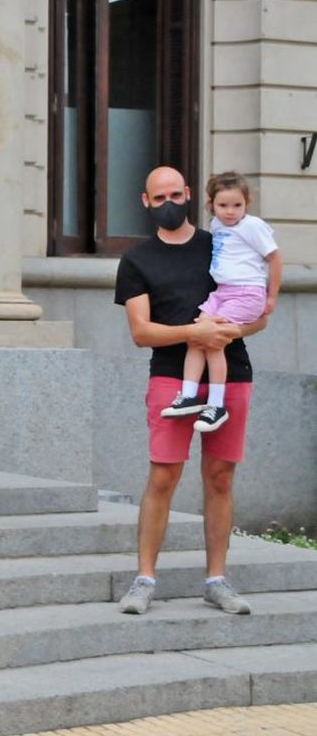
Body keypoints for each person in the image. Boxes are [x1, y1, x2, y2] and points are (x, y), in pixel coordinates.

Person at [115, 166, 268, 617]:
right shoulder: (137, 260)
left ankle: (216, 580)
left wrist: (226, 331)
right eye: (158, 198)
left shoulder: (223, 242)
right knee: (164, 475)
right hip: (170, 377)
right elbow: (141, 332)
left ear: (189, 194)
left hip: (231, 372)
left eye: (175, 195)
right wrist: (195, 331)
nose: (168, 204)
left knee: (220, 477)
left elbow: (258, 310)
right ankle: (144, 579)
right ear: (145, 202)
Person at [159, 171, 281, 434]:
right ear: (211, 204)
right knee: (196, 336)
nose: (230, 212)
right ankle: (189, 395)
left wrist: (271, 296)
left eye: (237, 205)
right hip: (222, 292)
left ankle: (216, 405)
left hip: (246, 292)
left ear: (246, 203)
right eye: (223, 205)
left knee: (213, 341)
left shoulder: (252, 226)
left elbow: (275, 258)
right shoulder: (216, 226)